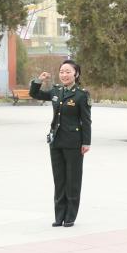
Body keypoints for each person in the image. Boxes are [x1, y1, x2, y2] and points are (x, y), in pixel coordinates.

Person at [30, 60, 91, 227]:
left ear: (76, 74)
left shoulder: (81, 95)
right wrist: (39, 80)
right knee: (59, 180)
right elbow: (35, 94)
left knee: (73, 181)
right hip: (56, 141)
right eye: (62, 71)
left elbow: (86, 121)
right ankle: (59, 216)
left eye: (68, 72)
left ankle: (70, 216)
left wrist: (86, 142)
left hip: (73, 143)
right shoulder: (56, 91)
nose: (64, 75)